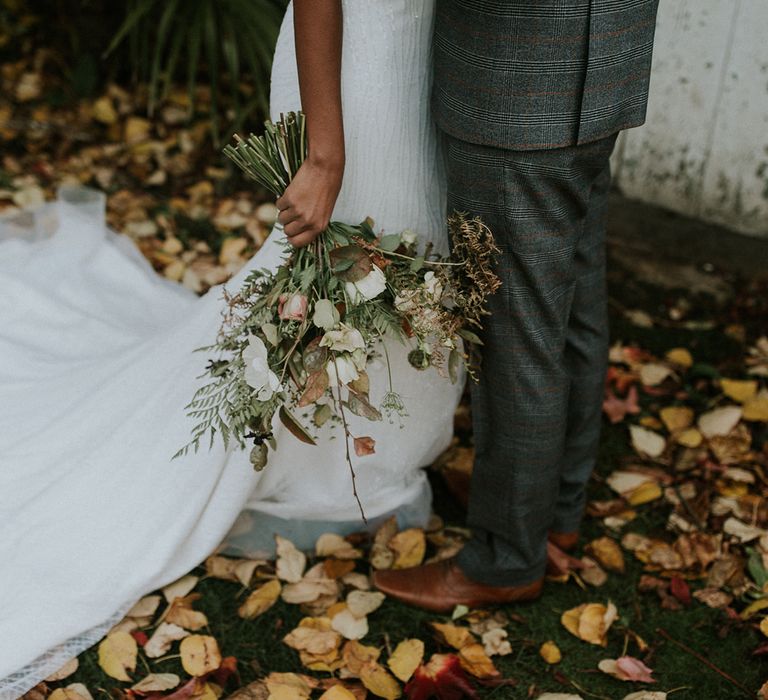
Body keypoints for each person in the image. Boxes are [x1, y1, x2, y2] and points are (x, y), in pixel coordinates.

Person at [0, 1, 461, 694]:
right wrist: (326, 153)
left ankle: (375, 456)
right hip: (350, 73)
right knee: (340, 268)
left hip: (430, 64)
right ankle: (307, 466)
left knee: (410, 274)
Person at [374, 0, 660, 612]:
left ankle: (505, 557)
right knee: (571, 307)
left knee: (515, 338)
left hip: (515, 76)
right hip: (600, 61)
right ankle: (552, 508)